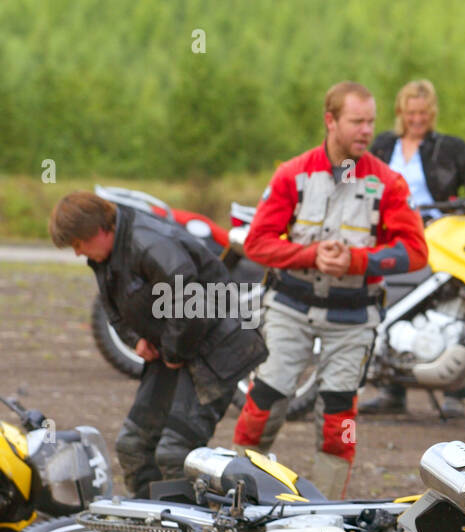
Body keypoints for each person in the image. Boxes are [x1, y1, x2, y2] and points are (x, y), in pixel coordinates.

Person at [232, 81, 428, 497]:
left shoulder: (389, 182)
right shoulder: (293, 174)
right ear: (330, 121)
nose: (365, 130)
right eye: (356, 121)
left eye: (371, 122)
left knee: (341, 420)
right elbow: (257, 243)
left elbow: (416, 252)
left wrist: (359, 261)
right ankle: (239, 494)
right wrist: (312, 255)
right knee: (265, 402)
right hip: (290, 307)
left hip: (354, 316)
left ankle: (325, 514)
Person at [48, 192, 267, 498]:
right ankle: (151, 529)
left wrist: (175, 351)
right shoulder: (105, 254)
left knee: (175, 453)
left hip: (217, 349)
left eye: (77, 244)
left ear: (98, 230)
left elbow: (190, 301)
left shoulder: (147, 242)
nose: (76, 253)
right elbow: (113, 310)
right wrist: (136, 339)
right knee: (133, 447)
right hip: (174, 349)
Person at [360, 78, 465, 419]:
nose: (417, 119)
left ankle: (454, 393)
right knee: (392, 308)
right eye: (411, 113)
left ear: (431, 113)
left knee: (444, 311)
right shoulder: (382, 145)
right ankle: (392, 390)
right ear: (400, 112)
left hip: (436, 240)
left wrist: (458, 208)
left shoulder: (450, 148)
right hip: (390, 238)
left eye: (423, 113)